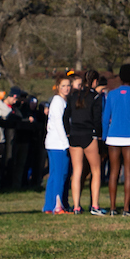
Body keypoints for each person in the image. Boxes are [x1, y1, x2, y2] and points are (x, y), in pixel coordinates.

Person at [102, 64, 130, 216]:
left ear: (119, 77)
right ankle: (126, 208)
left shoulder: (111, 94)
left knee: (113, 172)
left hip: (113, 136)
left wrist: (105, 136)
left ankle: (113, 208)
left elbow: (106, 118)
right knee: (129, 173)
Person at [66, 69, 104, 214]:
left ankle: (76, 206)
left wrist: (68, 132)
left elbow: (66, 116)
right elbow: (97, 118)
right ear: (95, 82)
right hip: (89, 135)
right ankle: (94, 205)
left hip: (74, 135)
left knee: (77, 171)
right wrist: (99, 135)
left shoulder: (73, 95)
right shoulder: (95, 97)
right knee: (96, 170)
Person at [42, 75, 72, 213]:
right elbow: (59, 123)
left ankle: (49, 205)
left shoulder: (61, 101)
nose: (66, 88)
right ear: (58, 87)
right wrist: (66, 142)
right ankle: (57, 205)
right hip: (58, 144)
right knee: (60, 174)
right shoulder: (58, 101)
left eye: (68, 85)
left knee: (54, 174)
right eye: (63, 86)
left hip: (53, 142)